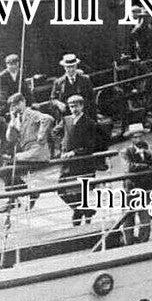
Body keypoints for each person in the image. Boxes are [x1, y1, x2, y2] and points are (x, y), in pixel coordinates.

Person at [59, 95, 100, 226]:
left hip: (83, 163)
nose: (73, 109)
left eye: (76, 106)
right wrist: (63, 147)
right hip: (68, 164)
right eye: (71, 106)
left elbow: (91, 146)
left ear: (82, 106)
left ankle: (81, 220)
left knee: (81, 194)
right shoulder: (66, 120)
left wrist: (74, 152)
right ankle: (85, 210)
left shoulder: (90, 123)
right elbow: (57, 132)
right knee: (61, 189)